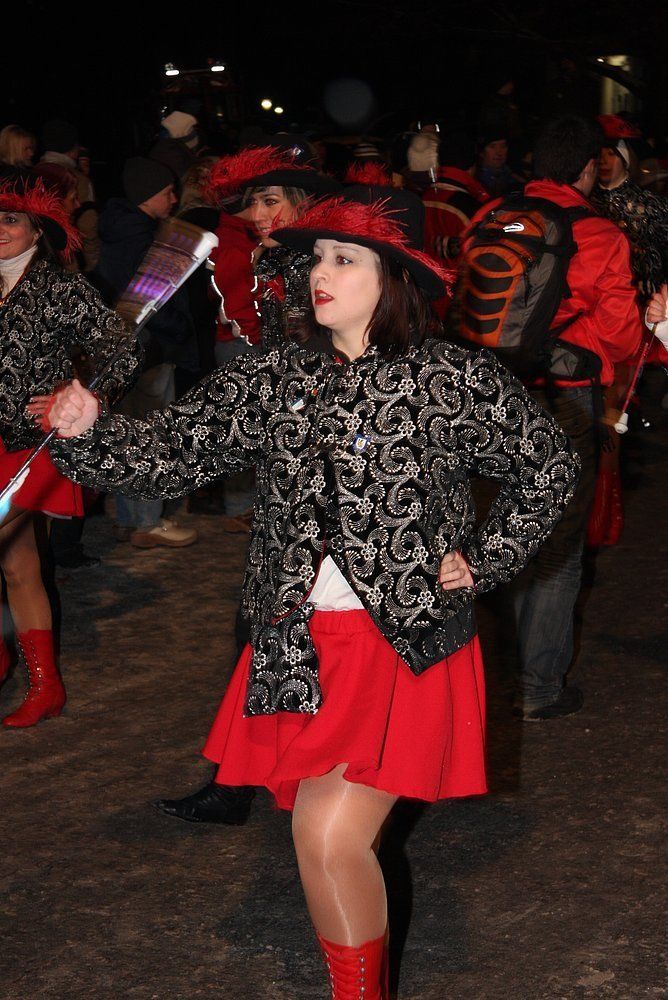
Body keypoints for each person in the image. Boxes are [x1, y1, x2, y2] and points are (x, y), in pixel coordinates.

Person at [46, 191, 579, 998]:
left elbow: (548, 466)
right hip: (299, 646)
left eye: (344, 258)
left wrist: (485, 555)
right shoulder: (275, 373)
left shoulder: (450, 376)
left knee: (328, 836)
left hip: (401, 643)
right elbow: (169, 454)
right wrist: (89, 432)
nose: (320, 274)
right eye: (317, 258)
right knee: (320, 838)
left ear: (394, 277)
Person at [496, 115, 641, 719]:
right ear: (587, 168)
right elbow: (621, 333)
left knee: (506, 530)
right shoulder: (600, 234)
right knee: (558, 542)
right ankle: (538, 687)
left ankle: (498, 675)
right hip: (565, 394)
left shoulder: (494, 216)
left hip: (494, 390)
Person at [0, 176, 142, 727]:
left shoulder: (60, 287)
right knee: (17, 564)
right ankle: (41, 683)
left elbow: (122, 349)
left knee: (13, 556)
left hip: (35, 445)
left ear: (38, 229)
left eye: (11, 219)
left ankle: (25, 672)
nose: (0, 230)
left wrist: (80, 395)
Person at [93, 156, 198, 549]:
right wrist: (182, 329)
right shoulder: (141, 240)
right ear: (147, 194)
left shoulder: (120, 231)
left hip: (123, 349)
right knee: (149, 435)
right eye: (167, 192)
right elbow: (154, 303)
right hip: (148, 349)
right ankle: (148, 522)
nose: (173, 199)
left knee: (126, 433)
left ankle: (128, 516)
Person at [422, 132, 489, 264]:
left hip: (424, 274)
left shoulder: (422, 197)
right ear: (472, 167)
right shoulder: (472, 207)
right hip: (457, 276)